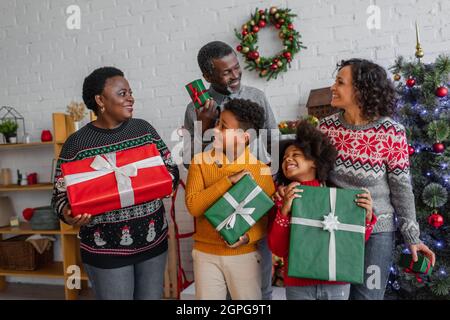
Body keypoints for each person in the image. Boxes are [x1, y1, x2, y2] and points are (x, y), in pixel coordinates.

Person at [51, 67, 179, 300]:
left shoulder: (143, 130)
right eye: (122, 93)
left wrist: (164, 183)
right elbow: (59, 197)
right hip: (105, 250)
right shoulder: (77, 144)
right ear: (100, 100)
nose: (130, 98)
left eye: (130, 92)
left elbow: (170, 168)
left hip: (153, 243)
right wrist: (70, 214)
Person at [319, 59, 435, 299]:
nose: (332, 87)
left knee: (368, 295)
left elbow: (402, 188)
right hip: (334, 225)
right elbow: (316, 177)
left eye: (340, 82)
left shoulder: (391, 132)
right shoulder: (325, 128)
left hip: (377, 231)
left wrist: (412, 237)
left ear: (361, 90)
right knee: (333, 295)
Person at [183, 41, 278, 299]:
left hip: (253, 196)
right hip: (214, 206)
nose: (235, 74)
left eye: (236, 67)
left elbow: (274, 142)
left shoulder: (256, 96)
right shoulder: (195, 110)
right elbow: (188, 162)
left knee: (257, 287)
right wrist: (203, 127)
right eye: (226, 72)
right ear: (207, 77)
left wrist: (268, 185)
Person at [269, 121, 377, 300]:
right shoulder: (282, 199)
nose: (287, 159)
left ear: (314, 161)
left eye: (295, 154)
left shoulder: (339, 197)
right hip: (298, 285)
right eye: (284, 158)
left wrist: (366, 217)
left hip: (337, 282)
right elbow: (278, 248)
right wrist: (284, 212)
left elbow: (353, 243)